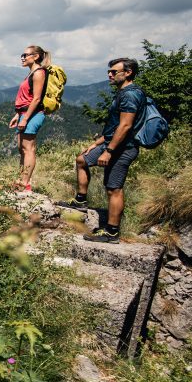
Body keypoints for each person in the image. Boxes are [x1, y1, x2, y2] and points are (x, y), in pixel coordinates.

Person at [59, 57, 146, 244]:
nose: (109, 75)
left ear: (128, 72)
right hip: (110, 144)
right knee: (82, 160)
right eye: (109, 71)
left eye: (114, 72)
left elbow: (125, 126)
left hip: (123, 148)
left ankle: (112, 232)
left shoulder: (130, 95)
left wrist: (109, 151)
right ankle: (81, 200)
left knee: (113, 189)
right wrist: (98, 144)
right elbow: (115, 126)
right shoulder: (123, 92)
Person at [8, 45, 50, 191]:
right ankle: (21, 179)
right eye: (22, 55)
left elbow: (37, 99)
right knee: (22, 148)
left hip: (32, 115)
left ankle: (25, 183)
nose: (23, 57)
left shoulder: (39, 73)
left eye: (26, 55)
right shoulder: (31, 73)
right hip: (23, 114)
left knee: (28, 149)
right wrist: (17, 115)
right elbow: (27, 97)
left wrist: (25, 118)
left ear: (36, 56)